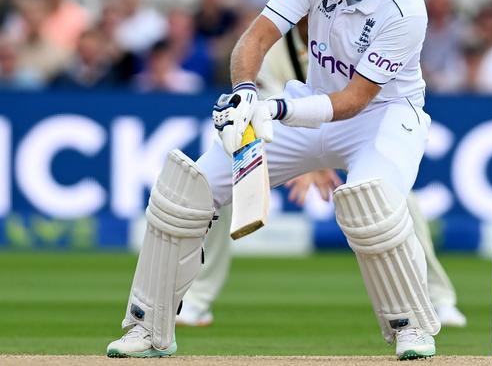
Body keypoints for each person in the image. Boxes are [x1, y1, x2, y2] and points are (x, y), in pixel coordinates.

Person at [107, 0, 440, 360]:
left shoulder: (406, 9)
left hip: (384, 116)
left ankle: (411, 327)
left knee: (372, 206)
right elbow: (257, 37)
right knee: (185, 193)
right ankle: (146, 328)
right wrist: (246, 92)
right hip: (309, 106)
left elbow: (354, 100)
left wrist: (278, 110)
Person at [176, 17, 467, 329]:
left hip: (357, 129)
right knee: (226, 179)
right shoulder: (273, 51)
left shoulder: (356, 36)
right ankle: (197, 300)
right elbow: (267, 111)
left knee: (395, 198)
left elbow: (364, 97)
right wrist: (308, 163)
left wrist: (325, 157)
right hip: (288, 129)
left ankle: (438, 298)